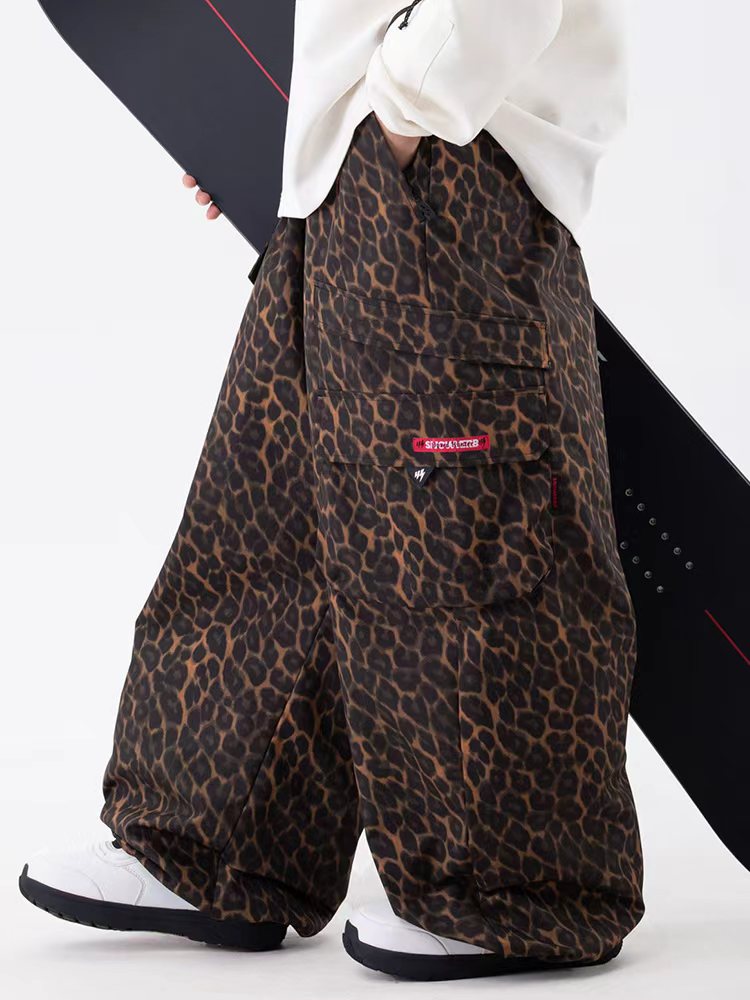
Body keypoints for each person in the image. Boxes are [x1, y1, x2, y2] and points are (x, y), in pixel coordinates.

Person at [19, 0, 644, 981]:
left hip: (455, 169)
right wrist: (295, 141)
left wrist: (399, 112)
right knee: (271, 513)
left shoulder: (420, 123)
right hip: (355, 171)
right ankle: (215, 849)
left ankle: (517, 891)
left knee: (456, 544)